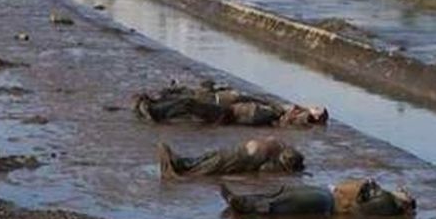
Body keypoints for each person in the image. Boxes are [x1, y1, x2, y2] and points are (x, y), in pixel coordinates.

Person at [133, 81, 327, 127]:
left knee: (189, 103)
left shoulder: (291, 116)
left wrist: (305, 112)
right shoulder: (282, 111)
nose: (314, 106)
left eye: (317, 109)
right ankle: (157, 109)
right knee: (188, 102)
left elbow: (292, 117)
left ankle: (156, 111)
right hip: (226, 111)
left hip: (224, 114)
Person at [221, 178, 416, 217]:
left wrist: (367, 186)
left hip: (330, 203)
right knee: (282, 192)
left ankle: (245, 206)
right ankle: (241, 199)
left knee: (284, 201)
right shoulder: (385, 196)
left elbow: (359, 209)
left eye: (405, 194)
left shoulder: (387, 201)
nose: (402, 190)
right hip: (328, 194)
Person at [157, 138, 304, 178]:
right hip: (236, 159)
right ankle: (177, 164)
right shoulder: (274, 155)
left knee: (204, 160)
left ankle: (180, 161)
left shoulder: (276, 143)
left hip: (233, 150)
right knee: (202, 170)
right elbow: (264, 170)